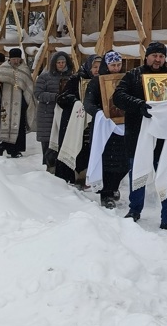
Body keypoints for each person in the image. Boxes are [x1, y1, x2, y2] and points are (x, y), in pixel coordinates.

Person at [112, 41, 167, 229]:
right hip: (138, 136)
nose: (158, 59)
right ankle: (134, 210)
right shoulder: (133, 76)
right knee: (138, 172)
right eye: (154, 55)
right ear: (147, 56)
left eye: (161, 56)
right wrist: (139, 105)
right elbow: (118, 96)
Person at [84, 51, 128, 209]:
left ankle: (114, 186)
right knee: (107, 162)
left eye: (118, 65)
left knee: (123, 161)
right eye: (112, 65)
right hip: (104, 127)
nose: (116, 68)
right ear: (106, 65)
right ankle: (106, 193)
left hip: (123, 126)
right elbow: (88, 103)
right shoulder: (97, 82)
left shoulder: (126, 79)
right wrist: (99, 113)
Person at [54, 54, 101, 185]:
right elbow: (61, 98)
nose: (97, 70)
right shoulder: (76, 79)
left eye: (100, 67)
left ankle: (86, 176)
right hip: (73, 123)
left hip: (93, 123)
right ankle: (68, 177)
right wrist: (75, 102)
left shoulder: (103, 80)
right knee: (74, 148)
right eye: (94, 67)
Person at [0, 48, 35, 158]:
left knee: (18, 126)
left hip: (19, 104)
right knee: (2, 124)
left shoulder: (24, 69)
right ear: (10, 59)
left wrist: (27, 102)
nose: (15, 61)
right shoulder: (3, 68)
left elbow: (29, 88)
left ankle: (15, 150)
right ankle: (1, 146)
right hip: (4, 103)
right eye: (13, 59)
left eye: (17, 59)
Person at [34, 51, 74, 168]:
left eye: (63, 62)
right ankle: (49, 166)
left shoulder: (71, 77)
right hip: (47, 114)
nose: (61, 65)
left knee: (62, 141)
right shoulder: (44, 77)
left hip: (64, 113)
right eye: (58, 62)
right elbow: (38, 94)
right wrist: (55, 97)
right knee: (48, 143)